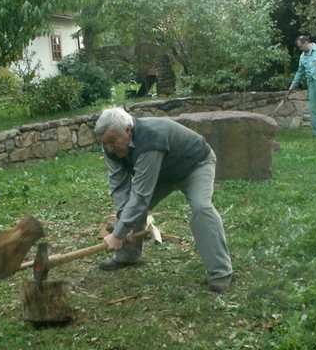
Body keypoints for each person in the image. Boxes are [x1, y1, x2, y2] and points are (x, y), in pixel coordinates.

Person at [94, 107, 233, 293]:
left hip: (195, 165)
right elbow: (119, 187)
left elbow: (141, 197)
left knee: (202, 208)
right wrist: (122, 222)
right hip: (162, 173)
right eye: (105, 143)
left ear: (128, 130)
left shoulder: (151, 139)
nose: (109, 148)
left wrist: (117, 234)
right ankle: (128, 256)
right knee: (130, 210)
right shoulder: (110, 147)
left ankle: (220, 273)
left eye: (113, 141)